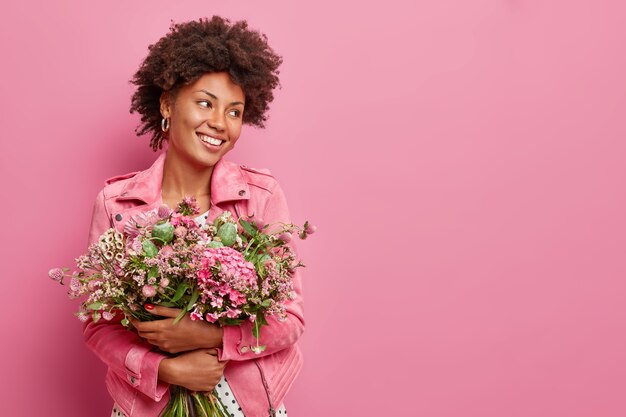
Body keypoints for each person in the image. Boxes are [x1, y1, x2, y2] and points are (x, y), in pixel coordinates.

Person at [83, 16, 304, 417]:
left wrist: (215, 337)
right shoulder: (116, 204)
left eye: (234, 112)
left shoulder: (261, 197)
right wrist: (166, 368)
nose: (220, 123)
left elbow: (289, 319)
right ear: (167, 103)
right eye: (205, 103)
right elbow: (100, 326)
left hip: (246, 407)